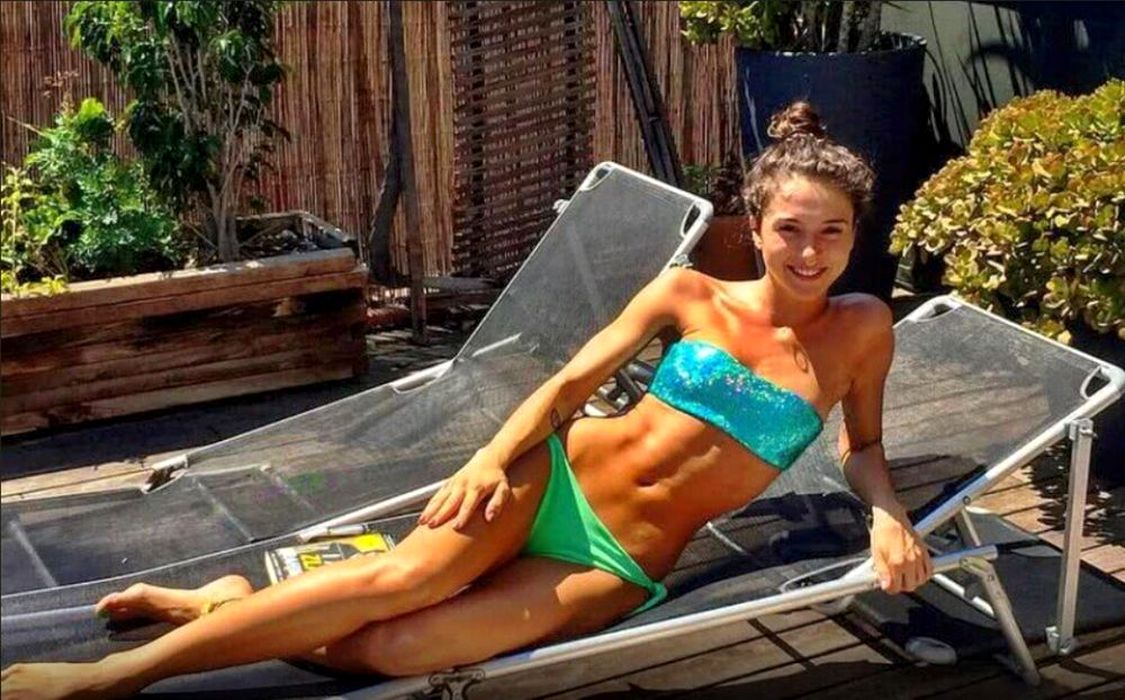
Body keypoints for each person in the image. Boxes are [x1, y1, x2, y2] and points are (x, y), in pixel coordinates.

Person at [0, 102, 932, 700]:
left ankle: (225, 605)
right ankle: (115, 678)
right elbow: (566, 387)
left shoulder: (862, 330)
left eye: (831, 233)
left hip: (621, 560)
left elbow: (861, 448)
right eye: (789, 229)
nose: (808, 252)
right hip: (553, 477)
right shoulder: (689, 293)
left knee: (396, 649)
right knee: (397, 582)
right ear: (756, 227)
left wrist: (887, 516)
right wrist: (490, 459)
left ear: (855, 235)